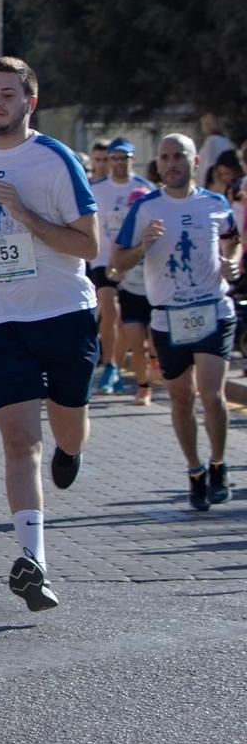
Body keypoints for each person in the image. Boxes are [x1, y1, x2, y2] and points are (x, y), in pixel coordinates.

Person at [0, 57, 101, 612]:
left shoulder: (55, 160)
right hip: (1, 321)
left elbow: (88, 246)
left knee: (67, 432)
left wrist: (28, 215)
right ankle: (33, 559)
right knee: (19, 442)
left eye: (8, 94)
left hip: (62, 314)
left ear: (28, 102)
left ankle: (73, 448)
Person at [111, 134, 239, 510]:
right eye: (165, 157)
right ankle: (195, 470)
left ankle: (219, 464)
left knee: (211, 393)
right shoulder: (146, 207)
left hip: (213, 309)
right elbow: (118, 261)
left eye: (178, 156)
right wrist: (143, 246)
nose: (171, 163)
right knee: (181, 397)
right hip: (169, 318)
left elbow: (233, 240)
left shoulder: (215, 203)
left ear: (195, 161)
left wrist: (231, 261)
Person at [90, 138, 155, 401]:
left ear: (132, 159)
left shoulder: (145, 188)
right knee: (109, 307)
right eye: (113, 157)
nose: (117, 162)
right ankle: (109, 366)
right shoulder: (96, 188)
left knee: (125, 320)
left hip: (133, 262)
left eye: (123, 157)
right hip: (103, 259)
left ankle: (116, 366)